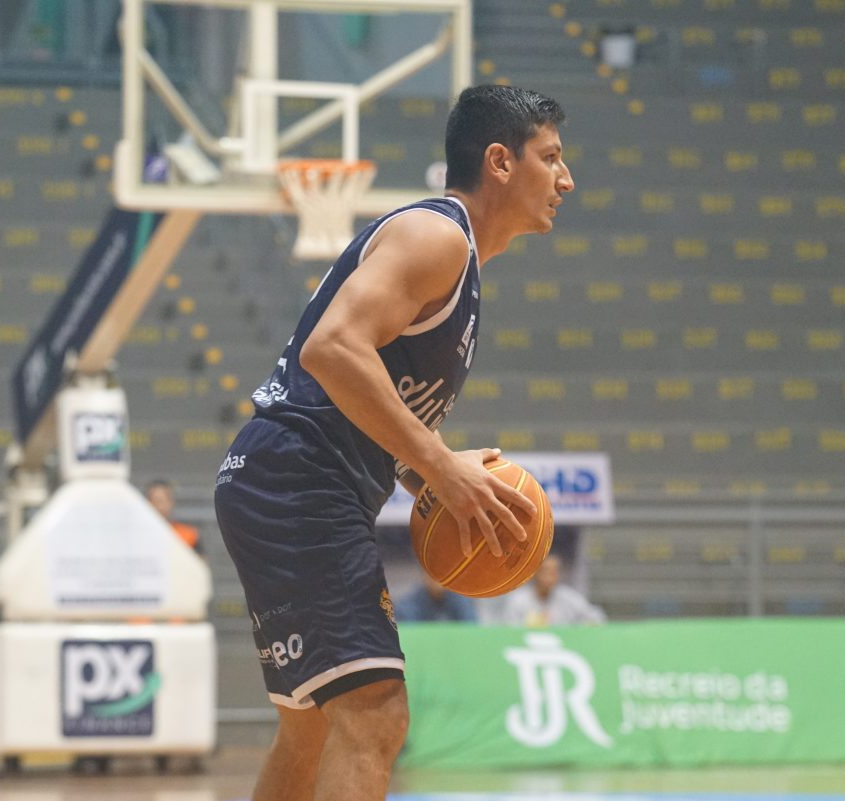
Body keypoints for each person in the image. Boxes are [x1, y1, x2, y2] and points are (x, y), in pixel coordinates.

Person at [213, 84, 573, 801]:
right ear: (500, 162)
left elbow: (364, 394)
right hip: (300, 479)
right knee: (376, 715)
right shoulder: (437, 237)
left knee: (313, 728)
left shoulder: (457, 263)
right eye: (551, 157)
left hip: (283, 476)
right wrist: (440, 465)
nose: (566, 179)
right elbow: (332, 349)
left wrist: (427, 470)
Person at [499, 553, 605, 627]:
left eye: (553, 573)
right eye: (545, 572)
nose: (549, 578)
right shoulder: (518, 600)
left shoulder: (569, 598)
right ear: (535, 573)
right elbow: (508, 628)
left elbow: (596, 617)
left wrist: (579, 629)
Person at [145, 478, 203, 554]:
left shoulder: (187, 535)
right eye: (153, 501)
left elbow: (200, 560)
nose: (158, 507)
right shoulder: (139, 536)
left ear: (171, 502)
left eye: (161, 501)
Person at [394, 571, 477, 623]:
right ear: (424, 575)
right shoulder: (408, 605)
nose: (437, 580)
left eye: (441, 575)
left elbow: (472, 629)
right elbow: (409, 633)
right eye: (432, 575)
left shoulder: (461, 600)